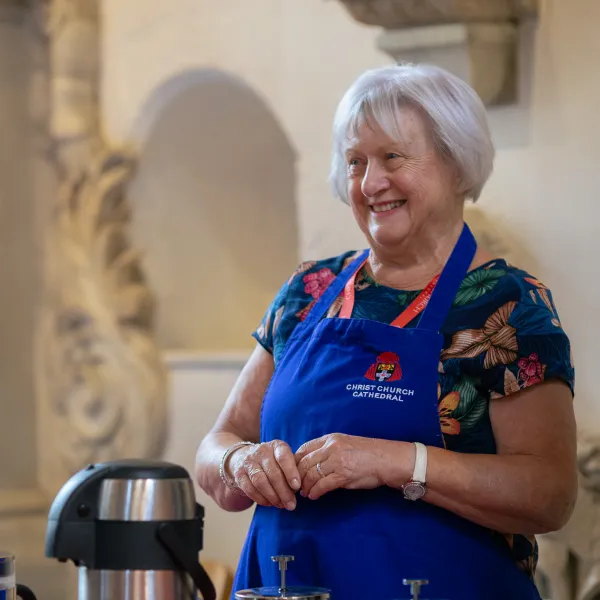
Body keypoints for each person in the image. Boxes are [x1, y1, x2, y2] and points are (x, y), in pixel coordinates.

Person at [194, 63, 577, 600]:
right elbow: (217, 445)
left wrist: (395, 461)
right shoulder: (307, 291)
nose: (371, 183)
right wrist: (239, 461)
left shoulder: (508, 304)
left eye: (392, 157)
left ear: (456, 161)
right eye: (355, 162)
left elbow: (549, 495)